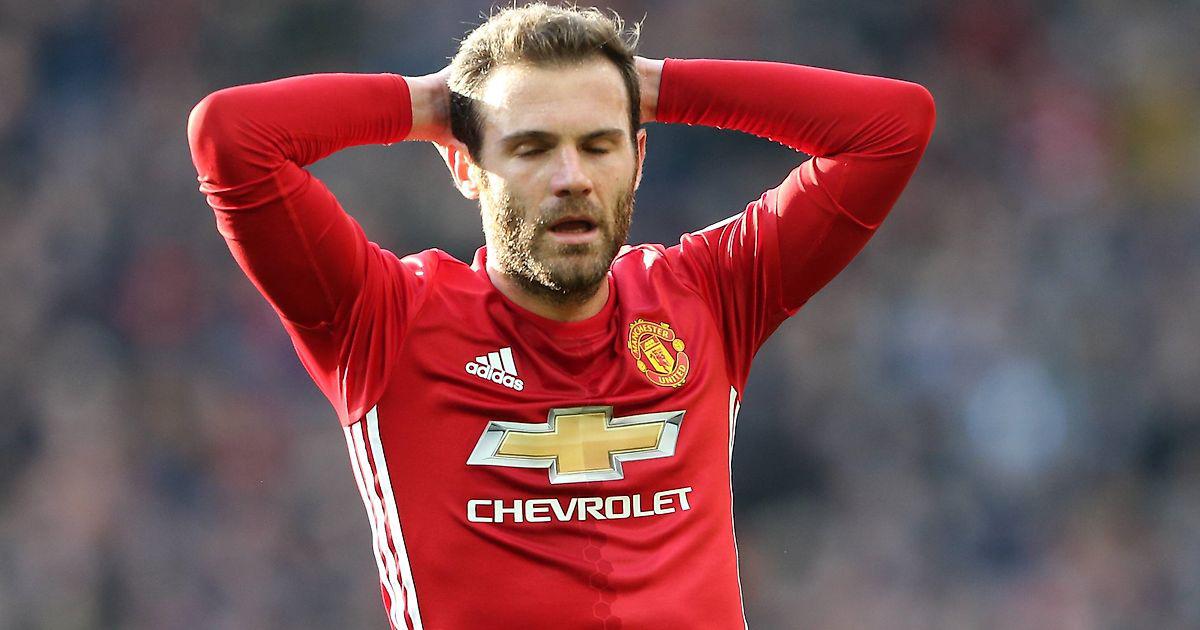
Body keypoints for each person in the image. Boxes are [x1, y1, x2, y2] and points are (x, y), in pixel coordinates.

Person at [186, 2, 935, 628]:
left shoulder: (707, 297)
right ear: (465, 165)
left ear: (638, 157)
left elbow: (893, 127)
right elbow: (232, 138)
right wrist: (429, 103)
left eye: (599, 145)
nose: (572, 177)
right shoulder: (384, 318)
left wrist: (655, 85)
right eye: (532, 147)